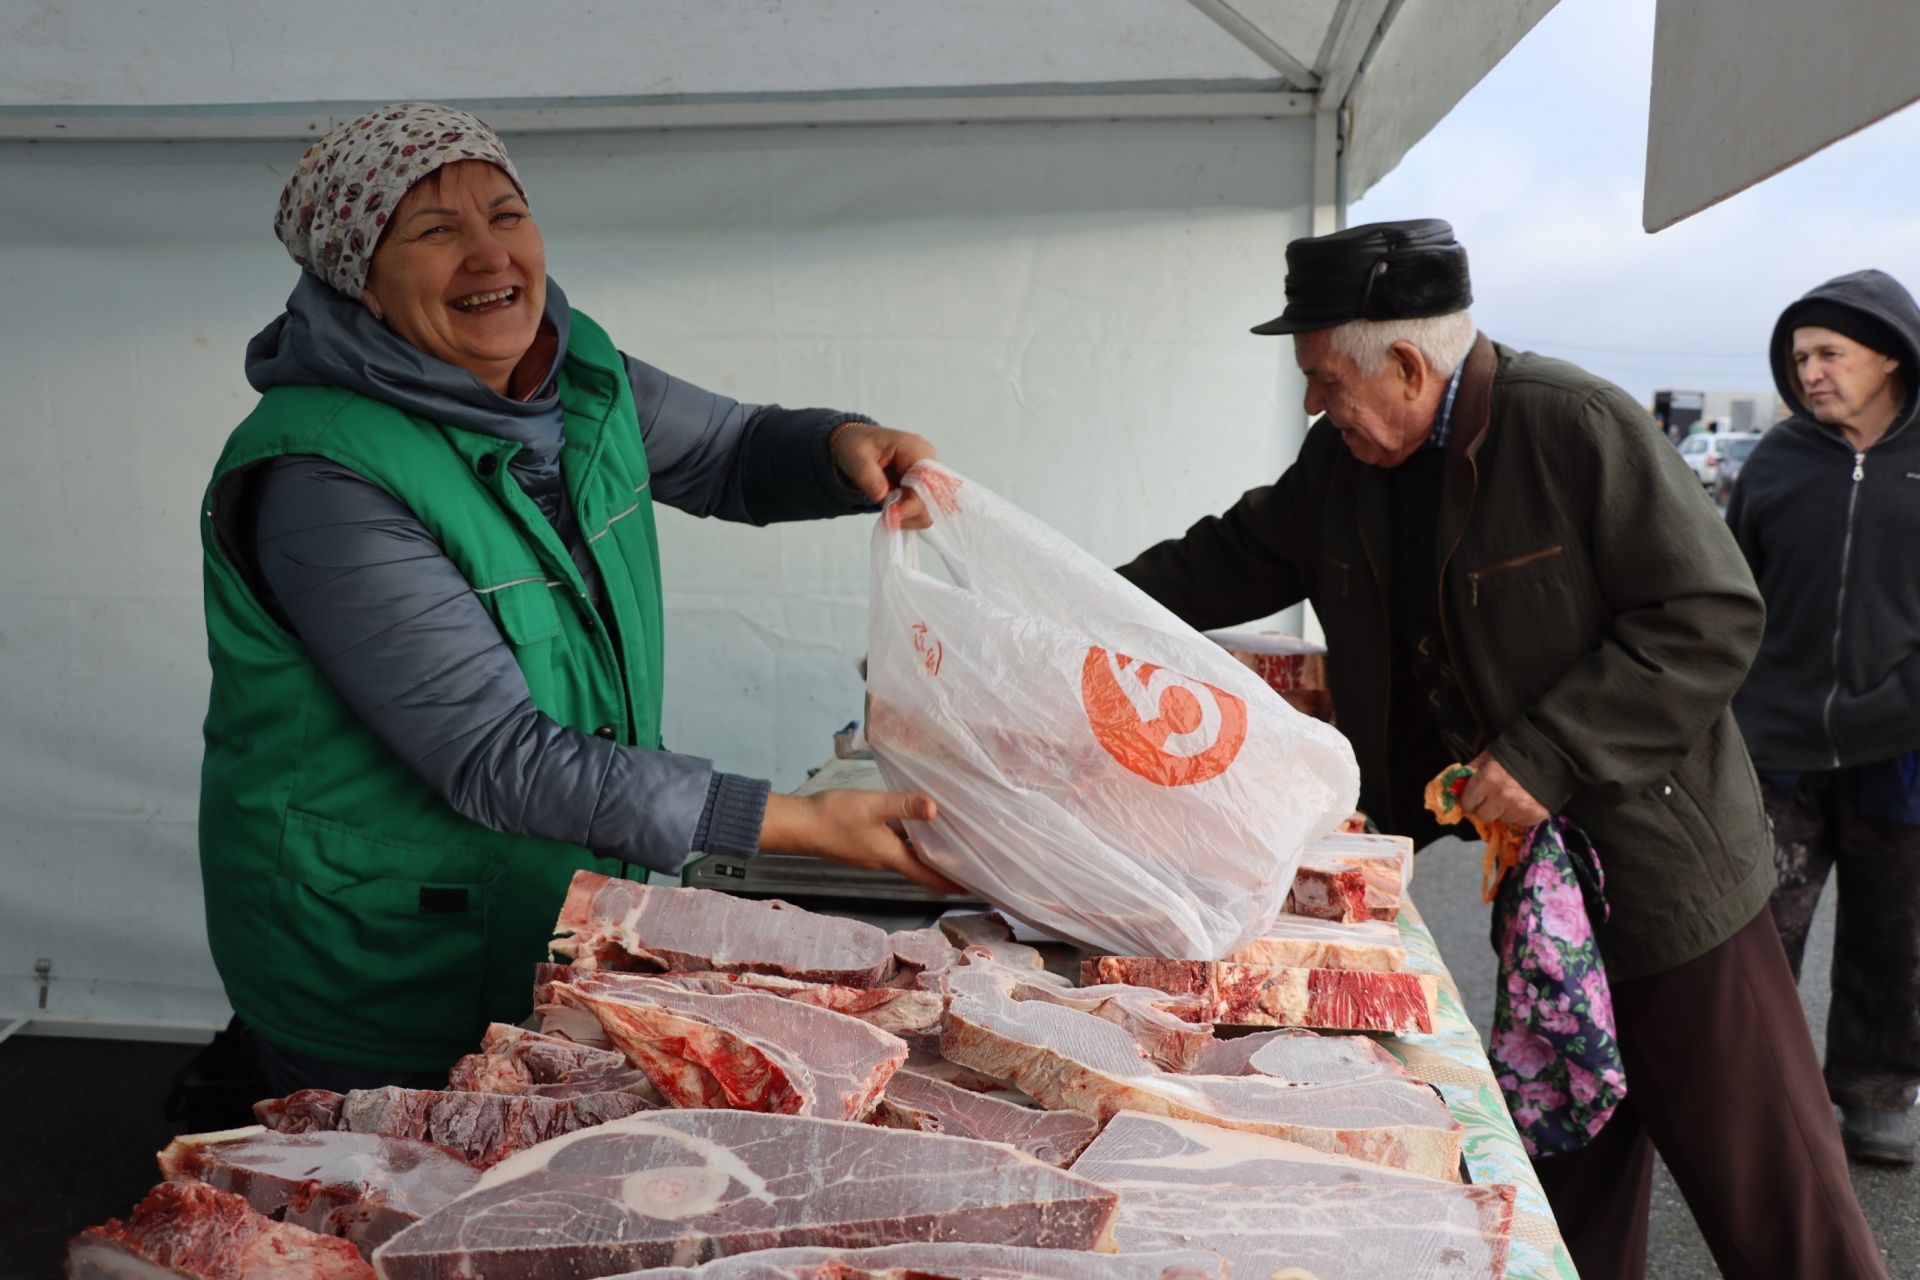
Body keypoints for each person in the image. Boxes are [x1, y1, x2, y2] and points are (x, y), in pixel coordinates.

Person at [1117, 219, 1887, 1280]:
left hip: (1669, 877)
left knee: (1778, 1200)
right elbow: (1221, 560)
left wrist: (1549, 750)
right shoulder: (1341, 464)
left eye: (1322, 379)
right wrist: (1056, 599)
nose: (1310, 403)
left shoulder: (1570, 425)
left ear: (1403, 362)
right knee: (1561, 1191)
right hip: (1535, 892)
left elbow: (1708, 612)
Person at [198, 103, 959, 1095]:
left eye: (506, 214)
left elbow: (725, 452)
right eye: (435, 231)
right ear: (358, 277)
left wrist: (835, 451)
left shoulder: (572, 371)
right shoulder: (323, 477)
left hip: (551, 907)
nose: (488, 255)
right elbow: (494, 756)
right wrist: (794, 822)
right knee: (389, 1211)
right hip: (380, 962)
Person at [1728, 270, 1920, 1165]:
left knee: (1895, 930)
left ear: (1889, 355)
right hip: (1778, 748)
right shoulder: (1775, 460)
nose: (1809, 370)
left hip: (1903, 748)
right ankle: (1758, 1095)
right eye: (1800, 354)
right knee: (1761, 929)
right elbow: (1728, 594)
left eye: (1830, 352)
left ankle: (1877, 1095)